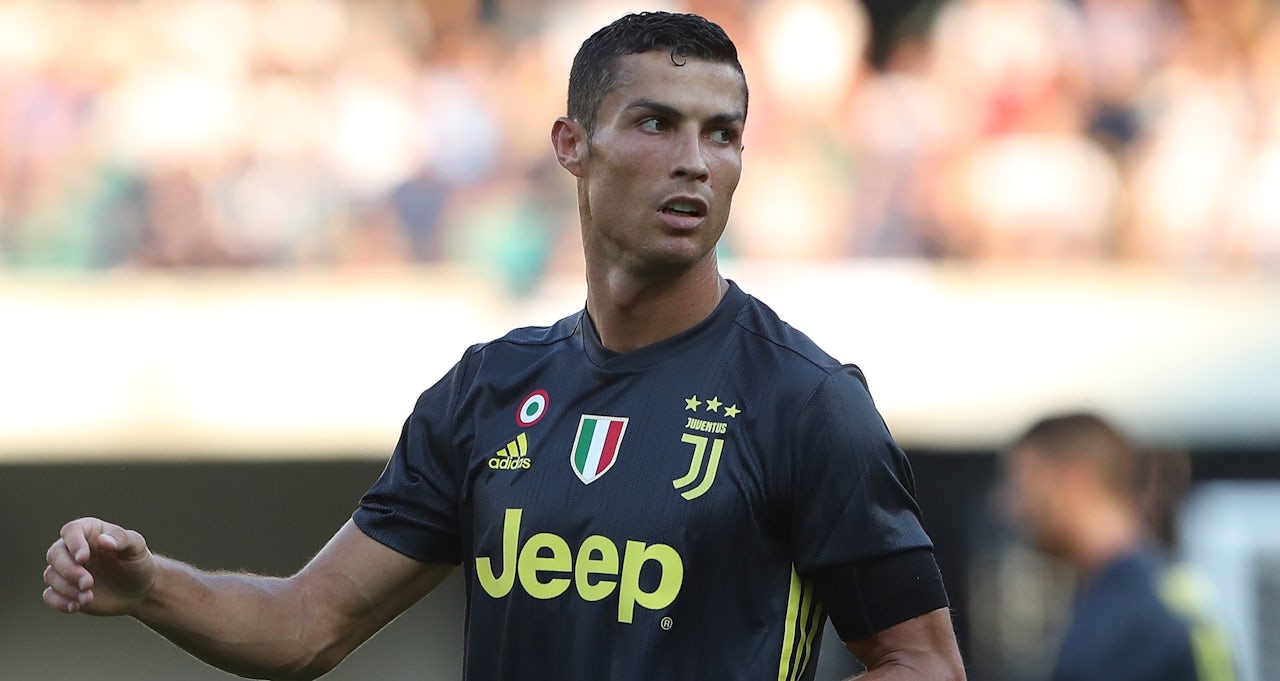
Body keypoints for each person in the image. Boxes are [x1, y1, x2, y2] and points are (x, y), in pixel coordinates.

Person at [42, 12, 965, 681]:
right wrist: (151, 586)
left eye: (722, 134)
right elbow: (307, 621)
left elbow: (923, 663)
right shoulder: (488, 389)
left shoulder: (806, 400)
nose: (696, 160)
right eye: (657, 123)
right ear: (572, 144)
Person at [1003, 411, 1235, 681]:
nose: (1009, 506)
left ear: (1073, 480)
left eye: (1022, 485)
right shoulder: (1168, 585)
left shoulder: (1121, 624)